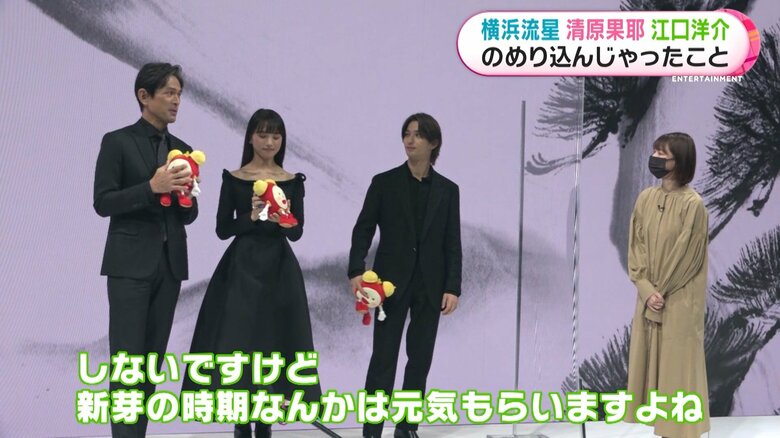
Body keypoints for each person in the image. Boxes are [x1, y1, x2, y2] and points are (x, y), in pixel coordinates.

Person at [184, 108, 321, 438]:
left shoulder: (293, 181)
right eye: (262, 134)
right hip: (241, 270)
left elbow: (297, 232)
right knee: (239, 345)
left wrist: (281, 220)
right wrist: (252, 216)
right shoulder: (234, 178)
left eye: (276, 135)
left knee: (275, 344)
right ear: (250, 138)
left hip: (280, 271)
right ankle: (241, 425)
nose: (269, 142)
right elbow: (222, 229)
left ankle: (265, 425)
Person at [93, 62, 197, 437]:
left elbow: (190, 215)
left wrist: (186, 198)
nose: (176, 100)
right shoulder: (117, 142)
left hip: (169, 267)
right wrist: (151, 188)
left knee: (151, 366)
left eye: (179, 94)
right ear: (144, 96)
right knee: (127, 365)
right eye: (169, 92)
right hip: (129, 267)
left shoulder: (183, 149)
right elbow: (103, 202)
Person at [348, 113, 462, 438]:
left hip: (430, 285)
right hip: (390, 284)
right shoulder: (384, 183)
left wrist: (453, 286)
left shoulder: (448, 190)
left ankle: (406, 428)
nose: (410, 140)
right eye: (407, 134)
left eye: (418, 135)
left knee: (420, 359)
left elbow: (452, 242)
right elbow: (363, 228)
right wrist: (356, 269)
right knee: (383, 359)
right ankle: (372, 430)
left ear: (433, 143)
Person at [625, 132, 710, 438]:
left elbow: (688, 256)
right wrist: (646, 290)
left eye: (663, 154)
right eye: (655, 152)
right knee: (650, 365)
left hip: (679, 300)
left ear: (680, 161)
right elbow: (636, 246)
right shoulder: (646, 198)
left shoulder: (693, 205)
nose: (656, 158)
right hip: (650, 298)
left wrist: (660, 291)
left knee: (678, 371)